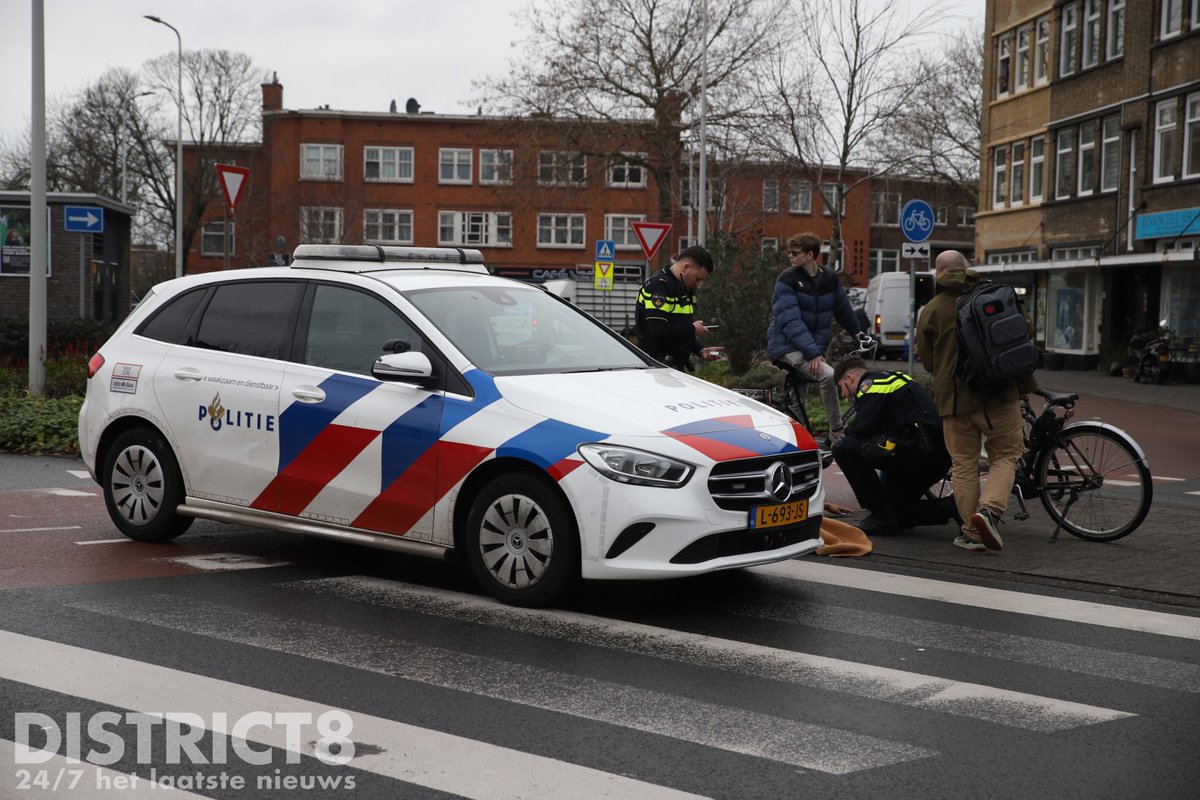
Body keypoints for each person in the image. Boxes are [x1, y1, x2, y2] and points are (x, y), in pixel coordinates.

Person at [916, 250, 1037, 552]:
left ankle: (971, 533)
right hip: (999, 394)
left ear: (937, 273)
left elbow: (929, 363)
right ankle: (990, 510)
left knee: (964, 466)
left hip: (955, 403)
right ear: (967, 268)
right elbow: (1024, 332)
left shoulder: (931, 309)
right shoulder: (993, 295)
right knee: (1006, 455)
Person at [830, 356, 958, 535]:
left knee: (842, 448)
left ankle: (878, 515)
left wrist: (843, 434)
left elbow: (862, 426)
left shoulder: (871, 384)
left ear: (850, 378)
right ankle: (951, 507)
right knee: (896, 514)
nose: (844, 395)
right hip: (933, 456)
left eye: (842, 388)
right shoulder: (892, 378)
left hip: (919, 453)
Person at [766, 232, 862, 442]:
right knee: (828, 375)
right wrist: (813, 353)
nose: (790, 256)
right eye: (789, 253)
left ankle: (800, 436)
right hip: (785, 345)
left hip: (810, 347)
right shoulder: (787, 279)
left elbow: (843, 309)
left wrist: (858, 332)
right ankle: (836, 429)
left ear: (810, 255)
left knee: (798, 397)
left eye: (795, 253)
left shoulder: (828, 278)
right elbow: (791, 321)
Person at [635, 245, 719, 371]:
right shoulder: (659, 287)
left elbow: (679, 327)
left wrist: (700, 350)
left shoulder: (681, 288)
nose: (698, 284)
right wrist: (692, 329)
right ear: (685, 267)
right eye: (697, 278)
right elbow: (657, 330)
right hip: (657, 368)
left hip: (672, 367)